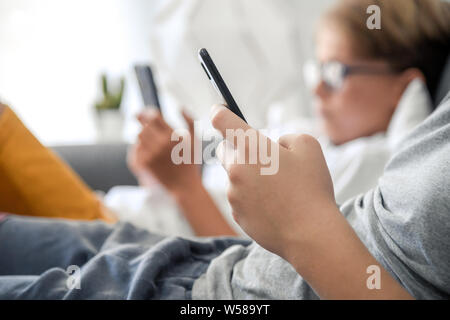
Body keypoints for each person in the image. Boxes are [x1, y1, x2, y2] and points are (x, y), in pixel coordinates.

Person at [0, 92, 449, 299]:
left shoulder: (366, 157)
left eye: (338, 73)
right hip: (210, 260)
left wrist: (302, 224)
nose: (318, 89)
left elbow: (292, 227)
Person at [118, 0, 450, 237]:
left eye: (336, 72)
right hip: (125, 218)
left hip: (127, 232)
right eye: (318, 69)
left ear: (402, 88)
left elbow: (255, 267)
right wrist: (159, 177)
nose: (317, 88)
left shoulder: (372, 166)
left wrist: (185, 188)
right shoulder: (312, 135)